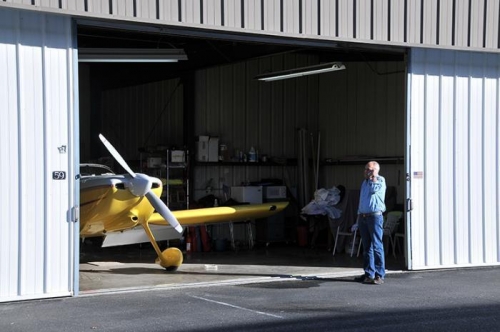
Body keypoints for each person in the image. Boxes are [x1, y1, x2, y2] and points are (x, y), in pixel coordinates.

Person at [354, 161, 386, 285]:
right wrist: (358, 217)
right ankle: (369, 273)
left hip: (374, 217)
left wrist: (374, 176)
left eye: (369, 169)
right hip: (363, 216)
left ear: (376, 170)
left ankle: (379, 275)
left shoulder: (380, 180)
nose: (366, 171)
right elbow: (362, 200)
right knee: (367, 247)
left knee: (377, 245)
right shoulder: (364, 183)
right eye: (366, 169)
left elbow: (375, 189)